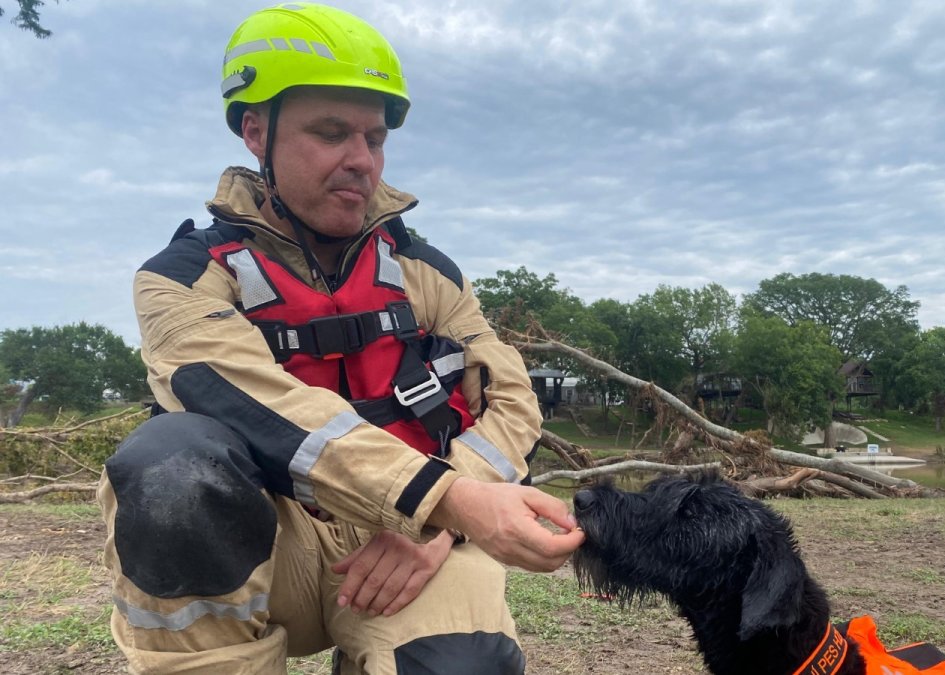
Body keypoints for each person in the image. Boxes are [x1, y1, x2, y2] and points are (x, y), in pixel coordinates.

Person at [97, 4, 584, 673]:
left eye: (375, 138)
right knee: (171, 462)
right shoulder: (180, 278)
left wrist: (440, 517)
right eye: (331, 133)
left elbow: (513, 400)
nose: (363, 161)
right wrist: (447, 501)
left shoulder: (427, 271)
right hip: (271, 550)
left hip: (412, 543)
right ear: (253, 129)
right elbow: (259, 405)